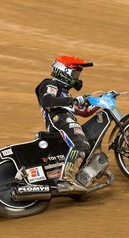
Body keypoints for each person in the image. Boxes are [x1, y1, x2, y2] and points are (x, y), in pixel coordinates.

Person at [35, 55, 100, 192]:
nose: (77, 78)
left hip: (65, 119)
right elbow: (47, 101)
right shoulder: (50, 84)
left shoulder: (66, 94)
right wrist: (74, 100)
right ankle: (66, 180)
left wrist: (101, 102)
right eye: (75, 73)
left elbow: (84, 112)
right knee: (80, 144)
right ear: (63, 71)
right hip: (58, 119)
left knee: (87, 143)